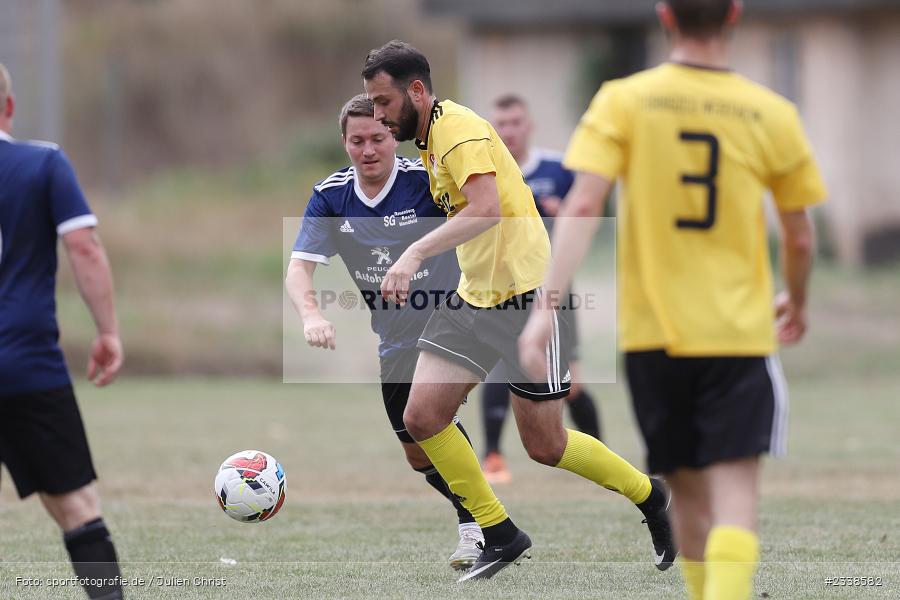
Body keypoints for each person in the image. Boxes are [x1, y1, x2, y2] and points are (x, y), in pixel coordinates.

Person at [519, 2, 827, 599]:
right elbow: (801, 235)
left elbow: (582, 207)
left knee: (685, 495)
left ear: (665, 15)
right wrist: (801, 300)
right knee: (736, 496)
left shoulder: (623, 100)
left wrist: (543, 310)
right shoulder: (771, 112)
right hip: (737, 333)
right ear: (734, 15)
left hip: (652, 333)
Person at [363, 40, 675, 582]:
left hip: (525, 302)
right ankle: (500, 533)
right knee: (421, 417)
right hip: (473, 298)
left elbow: (486, 209)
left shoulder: (457, 131)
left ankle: (652, 497)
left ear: (417, 90)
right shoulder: (430, 138)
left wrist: (414, 253)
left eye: (384, 102)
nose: (379, 115)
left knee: (545, 445)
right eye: (372, 104)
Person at [284, 94, 483, 570]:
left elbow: (481, 212)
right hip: (394, 338)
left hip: (449, 319)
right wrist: (311, 315)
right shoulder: (331, 196)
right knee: (416, 452)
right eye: (358, 141)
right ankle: (482, 511)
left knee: (433, 422)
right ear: (345, 143)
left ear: (393, 136)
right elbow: (298, 269)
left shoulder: (424, 180)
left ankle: (479, 528)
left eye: (378, 137)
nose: (369, 149)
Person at [0, 63, 125, 600]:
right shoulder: (42, 163)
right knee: (77, 508)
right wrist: (108, 332)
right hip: (25, 364)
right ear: (8, 107)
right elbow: (84, 248)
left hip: (25, 362)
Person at [480, 94, 602, 484]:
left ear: (528, 125)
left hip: (553, 291)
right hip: (503, 292)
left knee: (571, 384)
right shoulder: (485, 171)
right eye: (501, 124)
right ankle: (493, 457)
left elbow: (584, 218)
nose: (509, 131)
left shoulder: (558, 168)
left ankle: (597, 455)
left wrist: (559, 211)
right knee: (500, 370)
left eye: (515, 122)